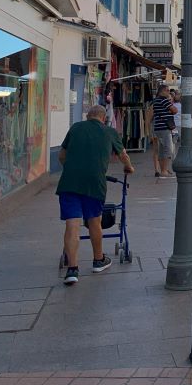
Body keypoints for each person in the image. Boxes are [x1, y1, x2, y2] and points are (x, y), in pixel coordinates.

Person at [57, 104, 134, 285]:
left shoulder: (75, 128)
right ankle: (98, 260)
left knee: (72, 224)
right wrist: (128, 167)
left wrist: (72, 169)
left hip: (69, 183)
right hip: (94, 183)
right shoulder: (109, 132)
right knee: (94, 221)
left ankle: (72, 270)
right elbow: (123, 155)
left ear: (88, 116)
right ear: (103, 118)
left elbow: (61, 156)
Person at [151, 85, 175, 178]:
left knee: (161, 150)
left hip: (158, 127)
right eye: (168, 91)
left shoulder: (155, 100)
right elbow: (175, 110)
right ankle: (164, 171)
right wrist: (170, 103)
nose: (169, 92)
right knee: (168, 149)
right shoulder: (164, 100)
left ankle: (162, 170)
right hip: (164, 128)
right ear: (162, 91)